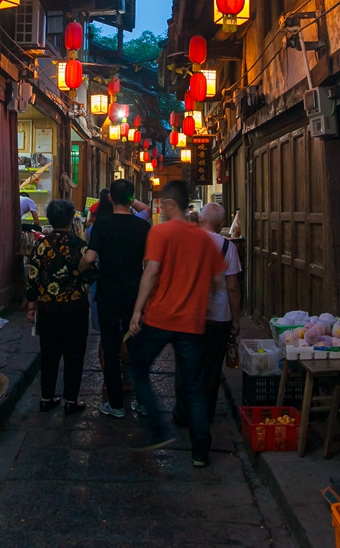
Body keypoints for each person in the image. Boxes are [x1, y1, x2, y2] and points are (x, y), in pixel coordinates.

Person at [127, 180, 227, 467]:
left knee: (138, 366)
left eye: (162, 203)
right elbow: (218, 281)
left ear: (170, 204)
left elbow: (151, 272)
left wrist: (137, 311)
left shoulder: (160, 232)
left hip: (161, 317)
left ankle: (157, 430)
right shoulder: (204, 240)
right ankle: (200, 452)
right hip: (192, 322)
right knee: (193, 386)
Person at [79, 179, 150, 418]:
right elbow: (149, 265)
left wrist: (78, 270)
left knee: (110, 347)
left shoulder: (102, 224)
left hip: (108, 292)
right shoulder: (143, 226)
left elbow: (89, 259)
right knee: (137, 346)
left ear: (110, 198)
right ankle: (142, 401)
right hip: (134, 294)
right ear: (132, 198)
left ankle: (116, 405)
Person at [26, 199, 92, 415]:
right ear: (71, 220)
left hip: (48, 309)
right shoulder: (80, 244)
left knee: (49, 354)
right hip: (75, 309)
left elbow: (33, 277)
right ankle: (71, 401)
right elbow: (91, 274)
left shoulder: (41, 245)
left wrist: (31, 306)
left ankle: (46, 398)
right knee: (74, 355)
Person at [195, 202, 242, 422]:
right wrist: (236, 318)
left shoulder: (188, 243)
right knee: (212, 368)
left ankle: (186, 410)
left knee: (189, 364)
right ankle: (206, 412)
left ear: (200, 220)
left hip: (191, 314)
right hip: (219, 316)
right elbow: (232, 286)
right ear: (222, 224)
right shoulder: (227, 247)